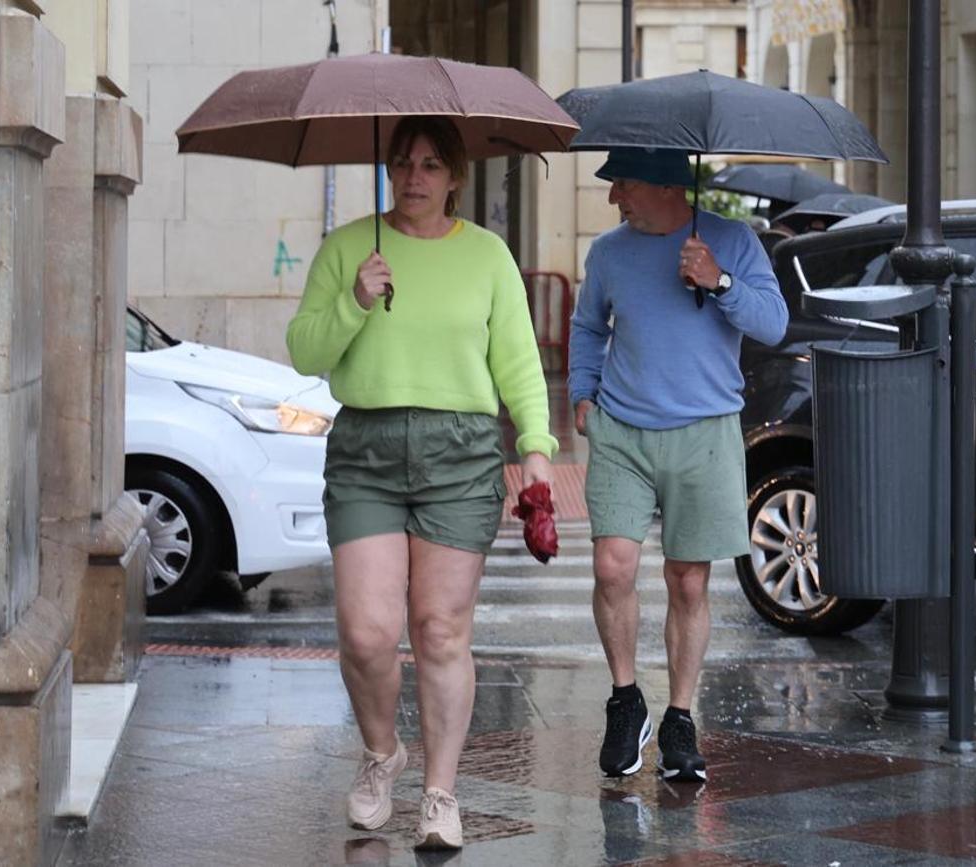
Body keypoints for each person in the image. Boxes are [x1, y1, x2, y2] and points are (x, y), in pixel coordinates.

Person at [287, 116, 556, 849]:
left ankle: (439, 793)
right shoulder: (349, 248)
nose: (414, 177)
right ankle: (382, 754)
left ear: (455, 176)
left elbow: (519, 365)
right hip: (367, 448)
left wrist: (535, 447)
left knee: (440, 628)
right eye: (402, 161)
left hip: (460, 453)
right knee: (367, 631)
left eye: (431, 164)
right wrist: (356, 300)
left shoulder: (489, 257)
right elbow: (305, 348)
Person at [569, 148, 788, 783]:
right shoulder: (608, 253)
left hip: (705, 431)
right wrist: (584, 392)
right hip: (622, 429)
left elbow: (773, 323)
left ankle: (680, 717)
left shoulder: (732, 240)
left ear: (669, 185)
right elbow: (588, 327)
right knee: (613, 567)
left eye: (623, 185)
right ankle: (625, 699)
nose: (614, 198)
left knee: (688, 581)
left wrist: (719, 281)